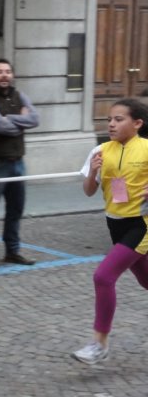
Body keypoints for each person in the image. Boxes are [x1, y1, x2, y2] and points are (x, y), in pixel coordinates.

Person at [72, 98, 148, 365]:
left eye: (119, 119)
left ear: (137, 123)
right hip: (115, 224)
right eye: (109, 120)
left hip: (141, 225)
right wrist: (92, 172)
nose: (112, 124)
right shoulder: (100, 150)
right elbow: (89, 191)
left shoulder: (147, 149)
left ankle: (99, 344)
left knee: (103, 277)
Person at [0, 59, 40, 268]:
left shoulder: (20, 95)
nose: (4, 75)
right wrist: (19, 121)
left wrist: (8, 118)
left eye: (7, 71)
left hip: (17, 162)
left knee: (16, 209)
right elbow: (1, 127)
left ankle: (12, 251)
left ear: (12, 75)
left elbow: (35, 119)